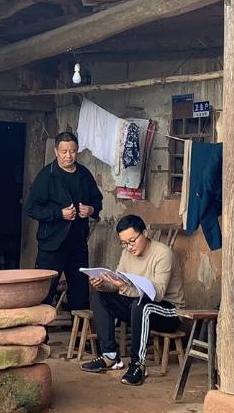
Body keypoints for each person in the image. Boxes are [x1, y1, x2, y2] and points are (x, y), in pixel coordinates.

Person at [82, 214, 184, 386]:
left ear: (144, 233)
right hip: (137, 305)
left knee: (141, 306)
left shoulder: (163, 254)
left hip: (168, 311)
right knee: (99, 297)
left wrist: (123, 287)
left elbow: (158, 294)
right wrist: (103, 284)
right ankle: (109, 356)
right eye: (124, 243)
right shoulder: (126, 254)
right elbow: (118, 285)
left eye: (132, 241)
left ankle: (138, 365)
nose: (129, 247)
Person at [26, 131, 102, 313]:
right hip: (52, 245)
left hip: (77, 244)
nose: (69, 156)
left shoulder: (84, 174)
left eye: (73, 151)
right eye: (64, 152)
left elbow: (97, 200)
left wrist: (91, 209)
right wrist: (59, 214)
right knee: (45, 293)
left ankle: (79, 332)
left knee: (80, 294)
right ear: (56, 151)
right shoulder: (47, 175)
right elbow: (31, 208)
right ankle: (41, 330)